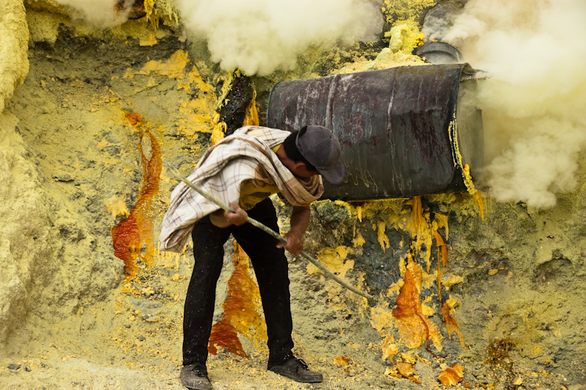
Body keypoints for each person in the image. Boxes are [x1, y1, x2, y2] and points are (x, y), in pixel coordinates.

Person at [159, 125, 346, 390]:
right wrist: (229, 218)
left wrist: (296, 233)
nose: (317, 177)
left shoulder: (292, 163)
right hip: (216, 205)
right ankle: (193, 364)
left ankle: (281, 357)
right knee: (206, 272)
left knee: (275, 269)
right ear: (302, 166)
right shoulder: (245, 164)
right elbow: (217, 218)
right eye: (316, 170)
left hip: (251, 207)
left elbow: (302, 205)